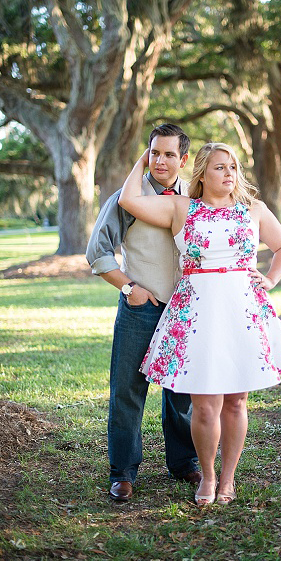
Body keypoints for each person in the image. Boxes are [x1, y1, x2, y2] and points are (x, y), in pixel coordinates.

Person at [118, 141, 281, 506]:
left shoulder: (254, 210)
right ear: (201, 173)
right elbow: (129, 200)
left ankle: (228, 479)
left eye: (233, 166)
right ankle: (208, 475)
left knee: (236, 401)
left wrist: (270, 279)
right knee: (204, 404)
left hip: (242, 310)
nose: (229, 173)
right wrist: (147, 156)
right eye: (220, 167)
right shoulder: (181, 207)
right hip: (197, 311)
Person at [86, 123, 200, 502]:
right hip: (140, 310)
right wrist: (128, 288)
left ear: (183, 160)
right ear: (146, 156)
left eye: (170, 154)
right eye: (155, 152)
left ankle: (184, 463)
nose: (161, 160)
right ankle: (123, 472)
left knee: (181, 392)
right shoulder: (126, 199)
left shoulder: (196, 198)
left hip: (183, 310)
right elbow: (97, 252)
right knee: (128, 392)